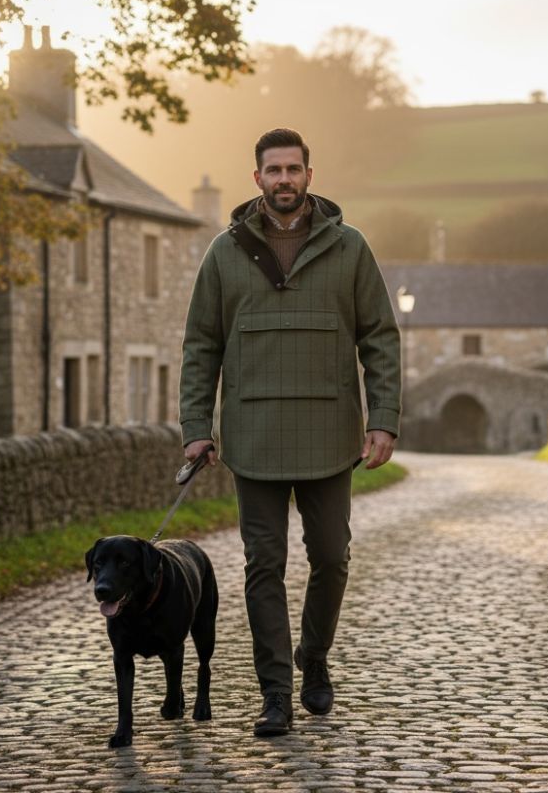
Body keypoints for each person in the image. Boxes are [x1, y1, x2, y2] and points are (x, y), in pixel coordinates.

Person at [179, 127, 401, 737]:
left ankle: (314, 657)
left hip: (330, 434)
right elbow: (201, 344)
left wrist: (383, 418)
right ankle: (275, 692)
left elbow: (380, 336)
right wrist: (196, 426)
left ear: (309, 175)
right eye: (272, 170)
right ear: (257, 179)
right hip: (253, 434)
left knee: (331, 557)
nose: (283, 180)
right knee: (263, 565)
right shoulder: (224, 253)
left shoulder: (350, 248)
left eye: (293, 170)